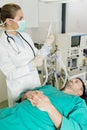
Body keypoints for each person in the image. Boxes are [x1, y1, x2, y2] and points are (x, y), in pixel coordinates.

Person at [0, 3, 54, 106]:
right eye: (20, 18)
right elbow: (10, 74)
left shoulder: (25, 36)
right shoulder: (2, 44)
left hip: (34, 84)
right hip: (19, 91)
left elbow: (38, 55)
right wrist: (31, 65)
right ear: (9, 21)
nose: (23, 21)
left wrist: (47, 45)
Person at [0, 78, 87, 130]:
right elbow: (22, 98)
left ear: (80, 92)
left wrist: (49, 107)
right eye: (73, 79)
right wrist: (27, 95)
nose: (72, 80)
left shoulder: (79, 103)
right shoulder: (49, 88)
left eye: (77, 82)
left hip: (25, 126)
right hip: (8, 113)